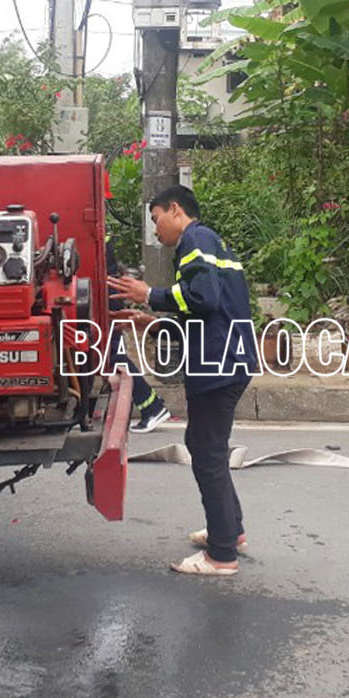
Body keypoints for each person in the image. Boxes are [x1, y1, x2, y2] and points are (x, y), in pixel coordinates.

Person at [106, 185, 255, 577]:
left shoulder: (195, 238)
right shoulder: (206, 243)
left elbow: (202, 298)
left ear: (175, 210)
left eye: (156, 219)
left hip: (219, 365)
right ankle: (230, 531)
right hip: (223, 360)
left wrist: (149, 294)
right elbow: (205, 311)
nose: (156, 231)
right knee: (207, 447)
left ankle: (222, 556)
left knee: (206, 452)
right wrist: (152, 322)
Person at [105, 229, 172, 432]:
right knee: (110, 354)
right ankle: (151, 406)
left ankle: (152, 407)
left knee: (111, 355)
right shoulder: (97, 224)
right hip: (106, 290)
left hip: (105, 292)